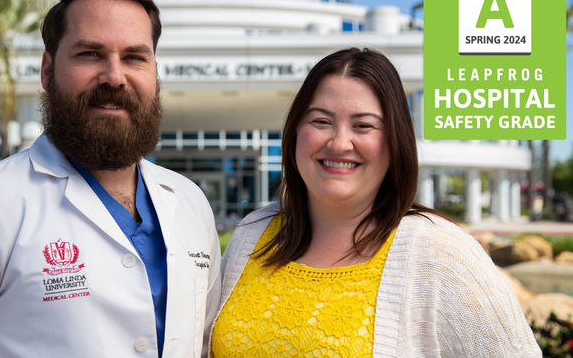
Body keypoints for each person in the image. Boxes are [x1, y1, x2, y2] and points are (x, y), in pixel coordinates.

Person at [0, 0, 221, 358]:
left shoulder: (191, 204)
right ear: (47, 70)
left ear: (154, 72)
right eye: (90, 54)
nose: (114, 76)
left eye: (134, 57)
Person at [209, 48, 540, 357]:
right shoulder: (251, 234)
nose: (339, 142)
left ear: (394, 142)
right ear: (295, 132)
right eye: (320, 121)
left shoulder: (442, 254)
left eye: (363, 126)